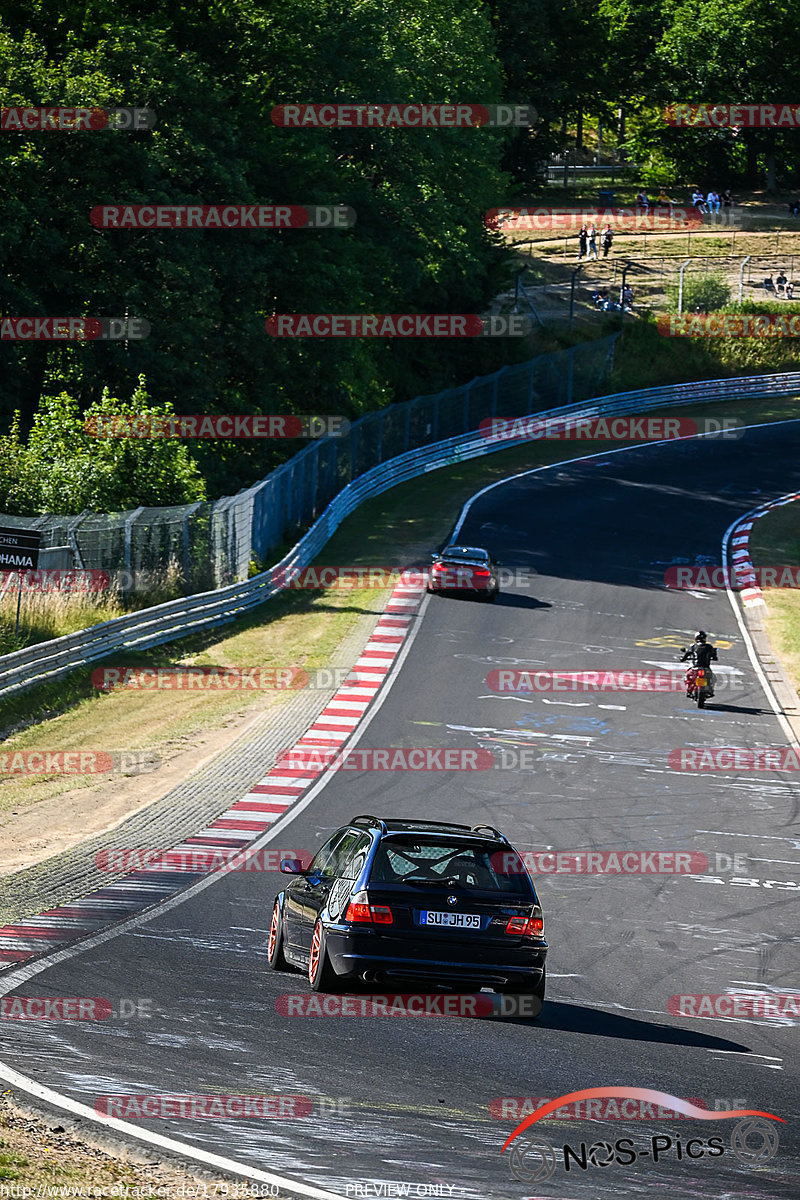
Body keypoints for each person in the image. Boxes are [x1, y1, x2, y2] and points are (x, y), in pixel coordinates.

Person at [681, 630, 718, 697]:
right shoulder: (709, 646)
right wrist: (714, 657)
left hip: (695, 668)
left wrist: (683, 659)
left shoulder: (693, 646)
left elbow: (687, 654)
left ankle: (689, 691)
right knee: (712, 678)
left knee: (686, 676)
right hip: (705, 668)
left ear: (696, 638)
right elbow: (714, 656)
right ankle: (710, 690)